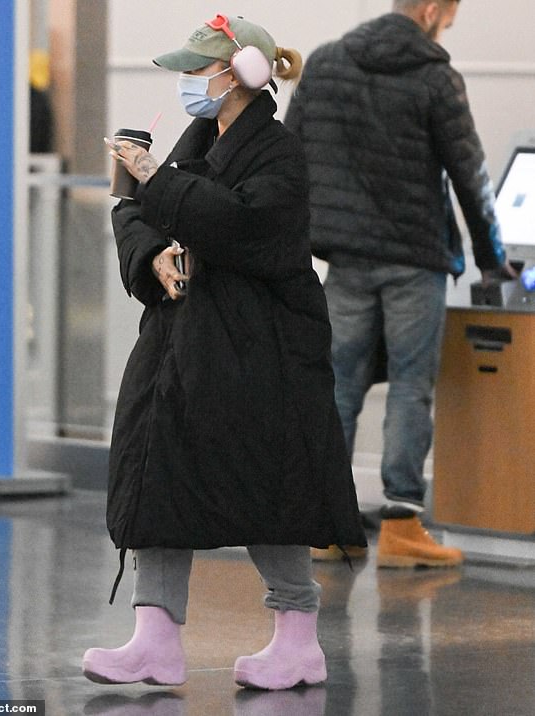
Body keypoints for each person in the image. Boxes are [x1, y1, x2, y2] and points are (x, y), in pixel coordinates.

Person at [82, 14, 366, 691]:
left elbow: (240, 227)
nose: (188, 81)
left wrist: (153, 178)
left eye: (197, 68)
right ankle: (155, 639)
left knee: (271, 482)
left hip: (262, 349)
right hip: (185, 342)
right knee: (159, 475)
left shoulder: (279, 154)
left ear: (243, 74)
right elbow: (139, 215)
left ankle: (298, 642)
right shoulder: (192, 143)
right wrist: (152, 256)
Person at [285, 0, 516, 569]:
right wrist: (492, 260)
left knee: (339, 384)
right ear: (432, 9)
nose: (452, 23)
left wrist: (296, 243)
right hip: (414, 259)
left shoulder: (327, 63)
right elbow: (470, 172)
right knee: (412, 387)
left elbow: (291, 154)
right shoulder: (435, 77)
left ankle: (327, 526)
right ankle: (403, 527)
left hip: (345, 258)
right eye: (452, 12)